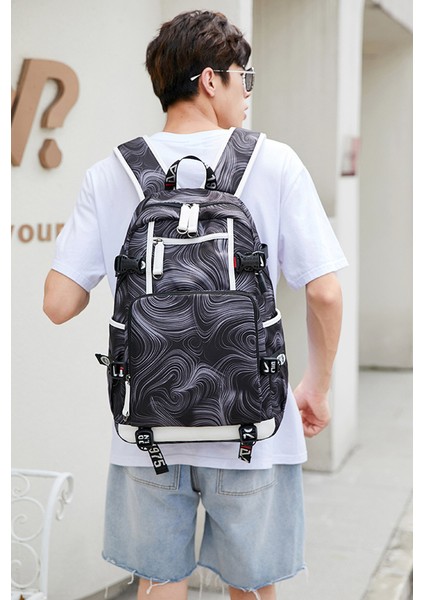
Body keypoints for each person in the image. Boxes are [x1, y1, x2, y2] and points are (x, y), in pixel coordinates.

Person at [43, 10, 347, 600]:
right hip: (254, 424)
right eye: (244, 78)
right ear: (211, 80)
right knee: (252, 587)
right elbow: (325, 291)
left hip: (146, 427)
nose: (247, 93)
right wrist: (316, 386)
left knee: (159, 582)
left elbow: (58, 303)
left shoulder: (111, 173)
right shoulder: (275, 162)